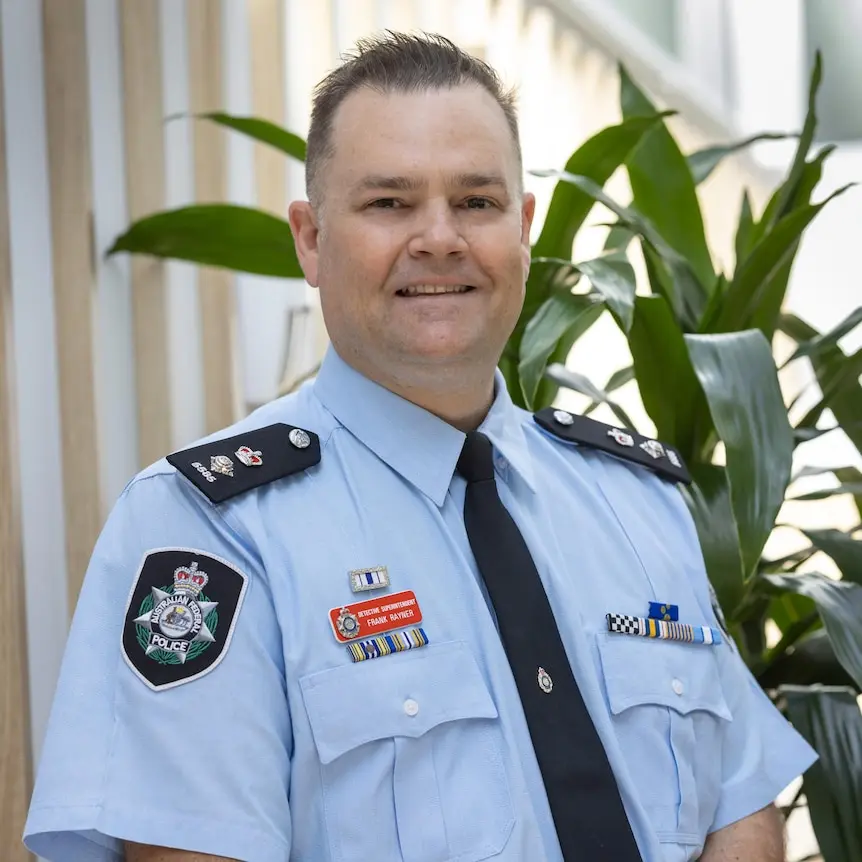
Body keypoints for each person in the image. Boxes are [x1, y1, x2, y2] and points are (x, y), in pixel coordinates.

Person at [24, 32, 815, 862]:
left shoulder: (637, 502)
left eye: (476, 202)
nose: (439, 239)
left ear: (524, 229)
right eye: (389, 203)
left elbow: (741, 800)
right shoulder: (209, 531)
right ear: (311, 241)